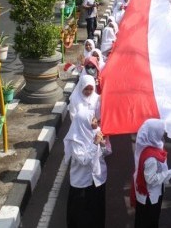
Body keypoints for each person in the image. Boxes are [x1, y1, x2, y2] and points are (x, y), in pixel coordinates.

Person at [64, 75, 111, 228]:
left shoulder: (95, 131)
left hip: (97, 179)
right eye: (90, 121)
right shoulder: (75, 140)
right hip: (82, 182)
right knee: (81, 216)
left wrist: (103, 145)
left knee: (96, 214)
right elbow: (83, 160)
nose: (94, 123)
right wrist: (94, 144)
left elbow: (106, 153)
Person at [133, 119, 171, 228]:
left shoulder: (144, 144)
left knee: (142, 219)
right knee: (149, 220)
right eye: (161, 132)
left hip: (145, 193)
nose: (163, 134)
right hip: (150, 196)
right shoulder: (151, 158)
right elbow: (151, 179)